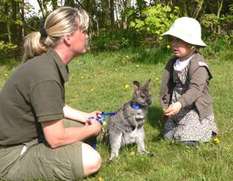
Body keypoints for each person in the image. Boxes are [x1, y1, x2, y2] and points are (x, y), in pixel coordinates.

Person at [0, 6, 102, 181]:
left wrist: (86, 117)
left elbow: (53, 106)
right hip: (13, 157)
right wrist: (93, 129)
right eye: (84, 31)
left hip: (29, 138)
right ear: (68, 37)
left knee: (81, 126)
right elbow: (56, 138)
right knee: (91, 159)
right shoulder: (46, 74)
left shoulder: (47, 64)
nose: (87, 36)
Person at [160, 17, 218, 145]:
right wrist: (167, 103)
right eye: (173, 40)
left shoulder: (199, 65)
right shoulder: (173, 62)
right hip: (177, 107)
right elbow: (168, 86)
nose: (174, 44)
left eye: (179, 40)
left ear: (192, 44)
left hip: (194, 108)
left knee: (186, 139)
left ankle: (205, 131)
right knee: (168, 136)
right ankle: (179, 127)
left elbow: (196, 90)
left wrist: (180, 104)